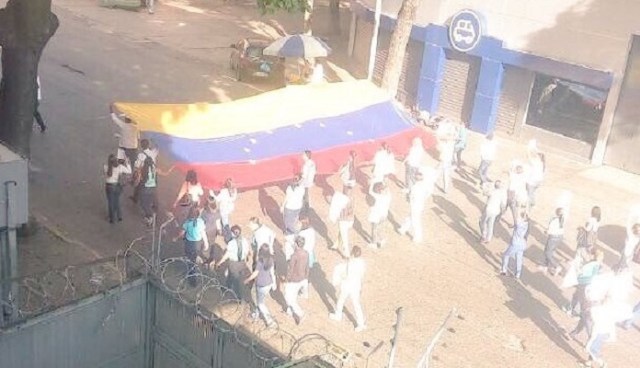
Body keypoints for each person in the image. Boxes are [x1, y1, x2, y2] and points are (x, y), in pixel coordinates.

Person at [330, 246, 366, 332]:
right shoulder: (362, 263)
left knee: (341, 300)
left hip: (348, 285)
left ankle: (338, 315)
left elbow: (346, 275)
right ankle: (360, 323)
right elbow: (362, 276)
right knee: (356, 305)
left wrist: (340, 278)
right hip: (356, 286)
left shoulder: (351, 263)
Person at [174, 207, 210, 287]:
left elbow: (182, 233)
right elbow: (203, 233)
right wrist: (206, 242)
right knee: (195, 256)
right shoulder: (200, 222)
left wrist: (176, 238)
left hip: (190, 243)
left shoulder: (187, 223)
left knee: (190, 261)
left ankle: (193, 280)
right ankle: (199, 262)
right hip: (198, 243)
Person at [399, 168, 436, 244]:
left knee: (415, 220)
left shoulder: (421, 186)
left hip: (416, 204)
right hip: (416, 204)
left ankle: (418, 237)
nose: (416, 176)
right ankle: (403, 228)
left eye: (418, 175)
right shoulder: (419, 184)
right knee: (411, 216)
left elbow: (418, 193)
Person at [215, 225, 251, 302]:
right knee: (231, 276)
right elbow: (247, 252)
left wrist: (219, 262)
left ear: (232, 233)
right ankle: (227, 287)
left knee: (236, 280)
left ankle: (239, 297)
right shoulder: (244, 240)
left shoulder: (231, 243)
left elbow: (227, 255)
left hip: (234, 263)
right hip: (241, 263)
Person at [244, 244, 276, 327]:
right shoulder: (271, 259)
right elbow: (272, 273)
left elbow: (255, 273)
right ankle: (256, 314)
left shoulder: (260, 261)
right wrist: (274, 284)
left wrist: (247, 280)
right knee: (259, 300)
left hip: (261, 284)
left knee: (260, 303)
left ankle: (270, 321)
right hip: (268, 283)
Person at [284, 236, 309, 325]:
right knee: (293, 295)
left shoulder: (294, 255)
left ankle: (300, 313)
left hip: (293, 279)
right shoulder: (306, 253)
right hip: (302, 278)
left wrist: (286, 279)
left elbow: (290, 269)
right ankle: (289, 311)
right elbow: (307, 266)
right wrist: (306, 277)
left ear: (296, 244)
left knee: (288, 297)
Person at [500, 209, 529, 279]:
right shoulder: (526, 224)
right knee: (519, 258)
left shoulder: (519, 223)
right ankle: (517, 274)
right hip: (523, 244)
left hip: (515, 243)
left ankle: (504, 270)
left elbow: (515, 222)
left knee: (506, 255)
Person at [103, 154, 131, 223]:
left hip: (109, 186)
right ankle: (119, 216)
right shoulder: (120, 167)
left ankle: (112, 218)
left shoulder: (105, 167)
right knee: (117, 201)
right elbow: (129, 171)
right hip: (117, 186)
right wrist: (126, 163)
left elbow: (107, 174)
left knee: (111, 202)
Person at [110, 103, 139, 168]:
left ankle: (120, 170)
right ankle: (132, 174)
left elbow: (114, 119)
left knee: (121, 162)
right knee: (133, 163)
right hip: (134, 148)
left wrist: (111, 109)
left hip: (124, 147)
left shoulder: (123, 125)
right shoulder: (136, 127)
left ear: (126, 120)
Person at [329, 186, 355, 256]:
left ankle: (347, 253)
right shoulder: (352, 198)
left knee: (344, 237)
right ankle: (336, 244)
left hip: (344, 220)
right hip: (350, 220)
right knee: (342, 232)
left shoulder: (342, 199)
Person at [479, 180, 507, 244]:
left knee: (482, 222)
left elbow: (484, 193)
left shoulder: (492, 192)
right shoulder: (502, 194)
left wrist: (485, 186)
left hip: (489, 210)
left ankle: (483, 235)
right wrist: (502, 212)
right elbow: (503, 205)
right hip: (496, 211)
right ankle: (488, 238)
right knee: (490, 224)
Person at [131, 139, 159, 203]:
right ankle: (154, 203)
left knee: (139, 185)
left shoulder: (141, 155)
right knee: (153, 188)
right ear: (148, 145)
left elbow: (137, 165)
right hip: (153, 172)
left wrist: (134, 173)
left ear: (141, 146)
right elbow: (157, 148)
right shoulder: (153, 152)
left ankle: (136, 198)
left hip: (144, 173)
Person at [540, 207, 565, 275]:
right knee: (550, 251)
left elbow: (549, 231)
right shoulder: (562, 220)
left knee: (547, 253)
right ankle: (545, 266)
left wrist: (546, 231)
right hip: (559, 237)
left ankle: (556, 266)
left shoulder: (554, 220)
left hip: (553, 237)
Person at [436, 119, 457, 193]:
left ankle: (432, 182)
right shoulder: (452, 142)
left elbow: (440, 137)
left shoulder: (446, 142)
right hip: (448, 159)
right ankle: (446, 188)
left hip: (443, 159)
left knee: (438, 172)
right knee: (446, 174)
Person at [298, 214, 317, 299]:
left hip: (303, 254)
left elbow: (297, 243)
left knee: (302, 273)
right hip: (311, 253)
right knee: (307, 272)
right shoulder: (312, 230)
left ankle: (303, 290)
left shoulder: (301, 233)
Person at [368, 181, 391, 248]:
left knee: (374, 229)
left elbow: (370, 192)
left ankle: (374, 243)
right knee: (379, 228)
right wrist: (385, 186)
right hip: (384, 215)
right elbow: (388, 190)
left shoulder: (378, 197)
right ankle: (381, 239)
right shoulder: (388, 196)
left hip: (376, 215)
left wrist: (372, 182)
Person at [138, 155, 158, 227]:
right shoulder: (154, 168)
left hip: (146, 188)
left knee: (143, 203)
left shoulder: (145, 169)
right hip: (153, 187)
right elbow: (156, 178)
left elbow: (143, 180)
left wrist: (140, 185)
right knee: (148, 202)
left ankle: (150, 216)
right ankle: (148, 216)